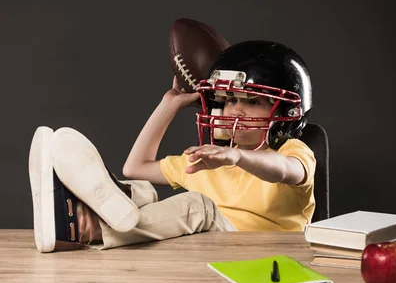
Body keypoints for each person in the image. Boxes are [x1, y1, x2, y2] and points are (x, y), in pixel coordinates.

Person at [28, 40, 316, 253]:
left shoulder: (291, 151)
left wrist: (236, 156)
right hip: (207, 257)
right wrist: (169, 105)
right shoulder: (208, 160)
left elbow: (285, 172)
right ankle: (69, 213)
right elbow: (136, 167)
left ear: (287, 112)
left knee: (199, 206)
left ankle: (88, 228)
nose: (235, 110)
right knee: (142, 191)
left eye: (252, 102)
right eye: (229, 100)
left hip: (271, 258)